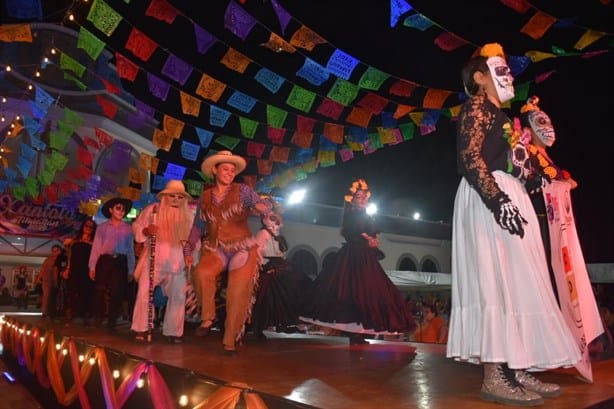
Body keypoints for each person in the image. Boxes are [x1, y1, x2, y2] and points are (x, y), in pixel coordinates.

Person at [445, 42, 580, 406]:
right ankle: (495, 374)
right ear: (478, 76)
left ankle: (515, 366)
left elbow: (514, 159)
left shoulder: (502, 116)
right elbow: (470, 158)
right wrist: (498, 200)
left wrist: (536, 177)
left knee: (519, 281)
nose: (508, 74)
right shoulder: (476, 106)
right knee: (496, 282)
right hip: (489, 197)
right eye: (498, 68)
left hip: (508, 193)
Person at [520, 96, 603, 380]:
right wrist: (563, 177)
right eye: (541, 121)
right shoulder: (527, 152)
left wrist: (563, 178)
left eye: (549, 121)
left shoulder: (544, 155)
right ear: (529, 128)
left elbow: (555, 175)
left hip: (551, 228)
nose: (549, 127)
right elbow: (547, 176)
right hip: (537, 227)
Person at [299, 178, 415, 345]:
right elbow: (351, 232)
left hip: (366, 256)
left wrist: (374, 241)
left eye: (364, 197)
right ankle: (355, 334)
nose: (362, 200)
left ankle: (359, 333)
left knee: (369, 292)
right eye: (359, 197)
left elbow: (372, 233)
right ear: (352, 200)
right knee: (353, 292)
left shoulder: (367, 216)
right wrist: (368, 238)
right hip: (354, 255)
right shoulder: (351, 215)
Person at [184, 150, 271, 354]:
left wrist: (264, 207)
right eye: (225, 169)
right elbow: (197, 226)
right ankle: (208, 316)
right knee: (201, 272)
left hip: (242, 246)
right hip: (216, 247)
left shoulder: (243, 191)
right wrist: (188, 249)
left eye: (233, 170)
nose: (230, 173)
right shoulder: (204, 197)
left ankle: (230, 339)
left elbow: (259, 204)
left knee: (237, 293)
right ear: (215, 170)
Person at [131, 180, 195, 344]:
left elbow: (193, 241)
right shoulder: (153, 210)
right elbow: (137, 228)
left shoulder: (188, 215)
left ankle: (173, 332)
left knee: (178, 297)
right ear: (165, 196)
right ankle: (142, 328)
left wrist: (191, 257)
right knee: (145, 293)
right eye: (172, 196)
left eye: (180, 197)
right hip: (154, 260)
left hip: (177, 264)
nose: (175, 199)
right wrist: (146, 231)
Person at [251, 198, 311, 338]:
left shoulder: (278, 237)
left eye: (277, 218)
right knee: (276, 290)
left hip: (280, 266)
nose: (276, 221)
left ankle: (291, 319)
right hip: (269, 267)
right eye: (272, 217)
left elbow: (281, 255)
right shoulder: (263, 234)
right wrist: (264, 267)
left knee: (298, 280)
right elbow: (257, 252)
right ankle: (266, 324)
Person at [89, 197, 135, 330]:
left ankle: (112, 321)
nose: (121, 211)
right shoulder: (102, 227)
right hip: (105, 260)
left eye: (123, 209)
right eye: (118, 208)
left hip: (120, 261)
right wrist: (92, 266)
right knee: (99, 289)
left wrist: (131, 270)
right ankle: (98, 317)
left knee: (117, 292)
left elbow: (130, 250)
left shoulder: (128, 228)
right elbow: (96, 247)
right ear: (111, 210)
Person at [62, 218, 97, 326]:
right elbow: (70, 256)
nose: (88, 228)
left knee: (86, 292)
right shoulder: (74, 241)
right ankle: (71, 315)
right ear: (82, 226)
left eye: (91, 226)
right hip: (74, 269)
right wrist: (67, 269)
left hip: (87, 270)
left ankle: (85, 315)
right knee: (72, 291)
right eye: (87, 225)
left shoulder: (94, 243)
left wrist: (94, 269)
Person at [37, 244, 62, 318]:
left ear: (60, 251)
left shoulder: (62, 259)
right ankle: (44, 312)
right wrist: (39, 278)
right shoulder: (48, 259)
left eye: (56, 250)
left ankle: (54, 312)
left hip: (58, 280)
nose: (55, 252)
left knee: (57, 297)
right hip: (47, 280)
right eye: (53, 251)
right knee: (46, 296)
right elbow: (43, 269)